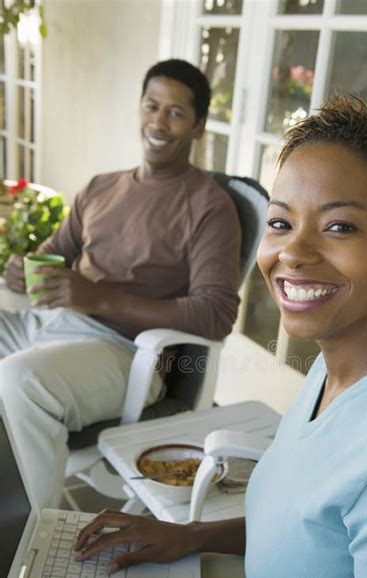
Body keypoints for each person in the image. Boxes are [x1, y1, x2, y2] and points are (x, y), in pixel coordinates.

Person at [1, 97, 367, 578]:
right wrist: (187, 536)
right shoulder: (342, 366)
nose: (293, 253)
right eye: (281, 222)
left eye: (339, 226)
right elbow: (313, 534)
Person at [0, 59, 241, 510]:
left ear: (199, 127)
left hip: (124, 352)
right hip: (49, 325)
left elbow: (215, 313)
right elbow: (55, 252)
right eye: (152, 106)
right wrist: (22, 269)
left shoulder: (209, 207)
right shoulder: (101, 188)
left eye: (175, 112)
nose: (159, 121)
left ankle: (40, 535)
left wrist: (100, 297)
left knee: (18, 379)